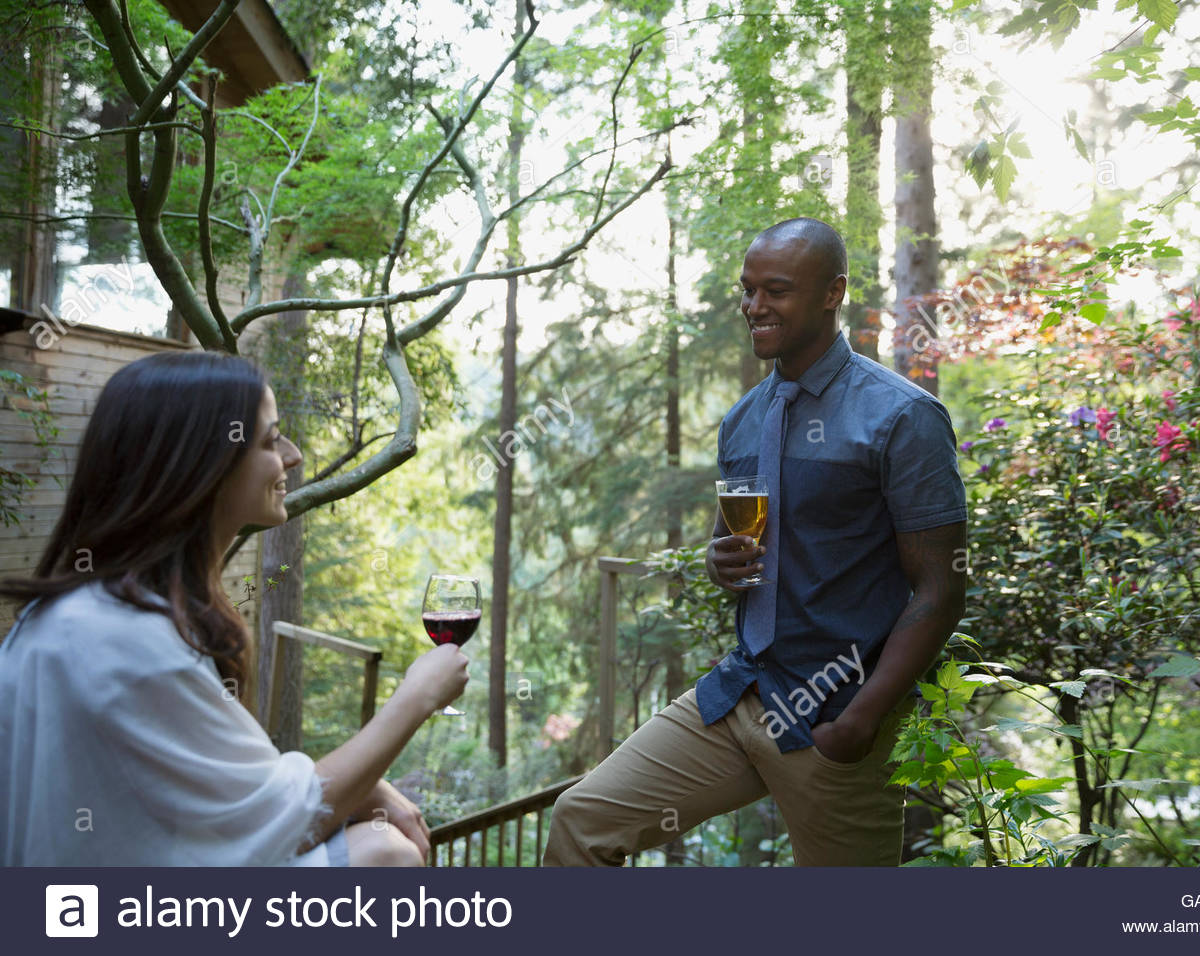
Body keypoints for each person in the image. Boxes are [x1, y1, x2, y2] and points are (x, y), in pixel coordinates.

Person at [545, 218, 967, 866]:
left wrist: (861, 720)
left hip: (836, 713)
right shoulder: (744, 419)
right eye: (747, 290)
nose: (754, 306)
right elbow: (735, 549)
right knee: (582, 822)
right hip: (740, 693)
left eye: (776, 290)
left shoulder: (902, 417)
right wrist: (720, 561)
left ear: (833, 293)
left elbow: (939, 587)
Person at [0, 351, 468, 866]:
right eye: (270, 440)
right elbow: (273, 828)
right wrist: (416, 698)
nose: (291, 456)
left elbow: (222, 790)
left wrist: (371, 790)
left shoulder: (90, 616)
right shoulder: (125, 641)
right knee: (386, 855)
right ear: (203, 463)